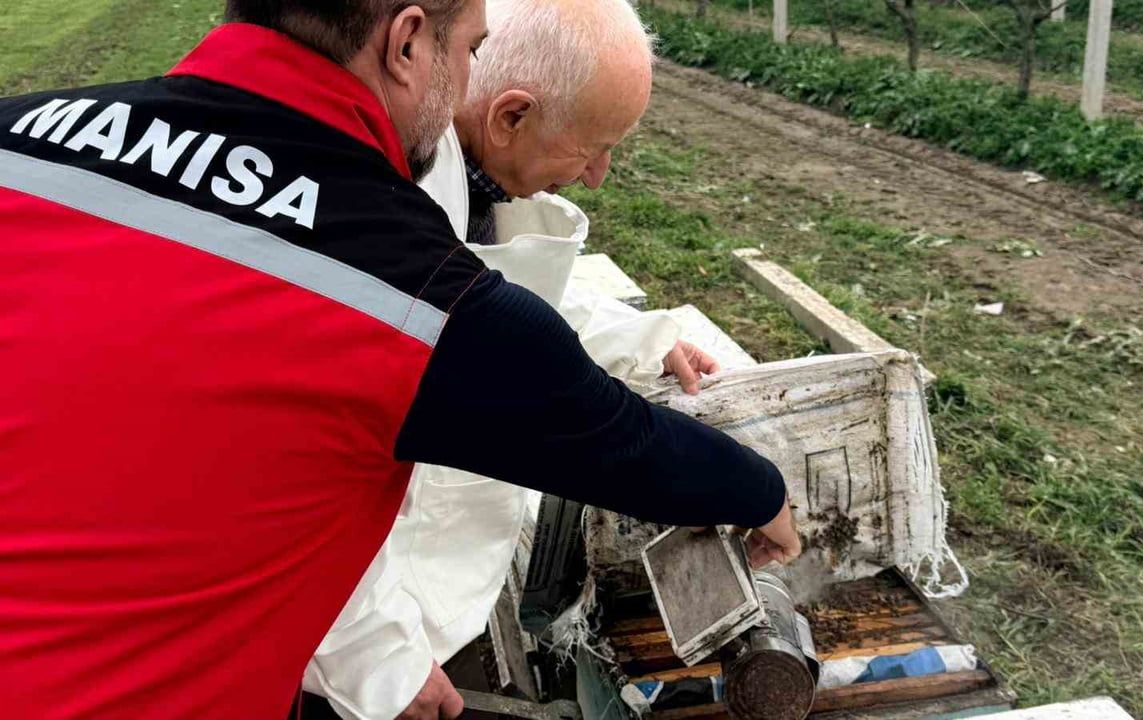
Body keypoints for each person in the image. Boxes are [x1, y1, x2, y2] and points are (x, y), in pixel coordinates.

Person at [0, 1, 802, 719]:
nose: (469, 84)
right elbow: (621, 442)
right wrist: (761, 492)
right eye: (470, 49)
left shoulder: (19, 136)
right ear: (410, 43)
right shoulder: (410, 292)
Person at [304, 2, 726, 717]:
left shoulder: (474, 177)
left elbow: (513, 300)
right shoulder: (374, 224)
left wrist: (646, 342)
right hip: (337, 624)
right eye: (592, 147)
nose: (598, 175)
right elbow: (301, 469)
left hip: (419, 587)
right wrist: (374, 657)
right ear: (510, 117)